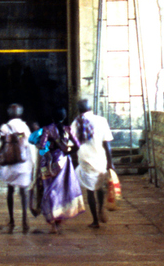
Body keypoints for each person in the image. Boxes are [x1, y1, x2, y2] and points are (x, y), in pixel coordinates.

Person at [33, 113, 84, 234]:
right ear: (64, 117)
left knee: (49, 190)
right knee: (63, 190)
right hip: (64, 162)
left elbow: (42, 146)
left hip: (49, 164)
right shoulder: (67, 129)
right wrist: (68, 152)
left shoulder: (47, 129)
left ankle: (52, 222)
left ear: (52, 118)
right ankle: (59, 220)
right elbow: (77, 145)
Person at [70, 97, 114, 228]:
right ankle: (101, 207)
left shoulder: (76, 123)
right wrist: (110, 162)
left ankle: (95, 220)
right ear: (91, 108)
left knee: (90, 191)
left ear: (78, 110)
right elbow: (107, 144)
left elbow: (72, 144)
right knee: (99, 186)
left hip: (85, 160)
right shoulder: (102, 121)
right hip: (100, 159)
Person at [0, 104, 35, 233]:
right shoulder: (24, 127)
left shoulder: (4, 127)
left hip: (9, 165)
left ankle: (12, 219)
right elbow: (29, 145)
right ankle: (24, 219)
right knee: (24, 192)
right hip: (22, 164)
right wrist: (33, 162)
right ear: (20, 114)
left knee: (10, 191)